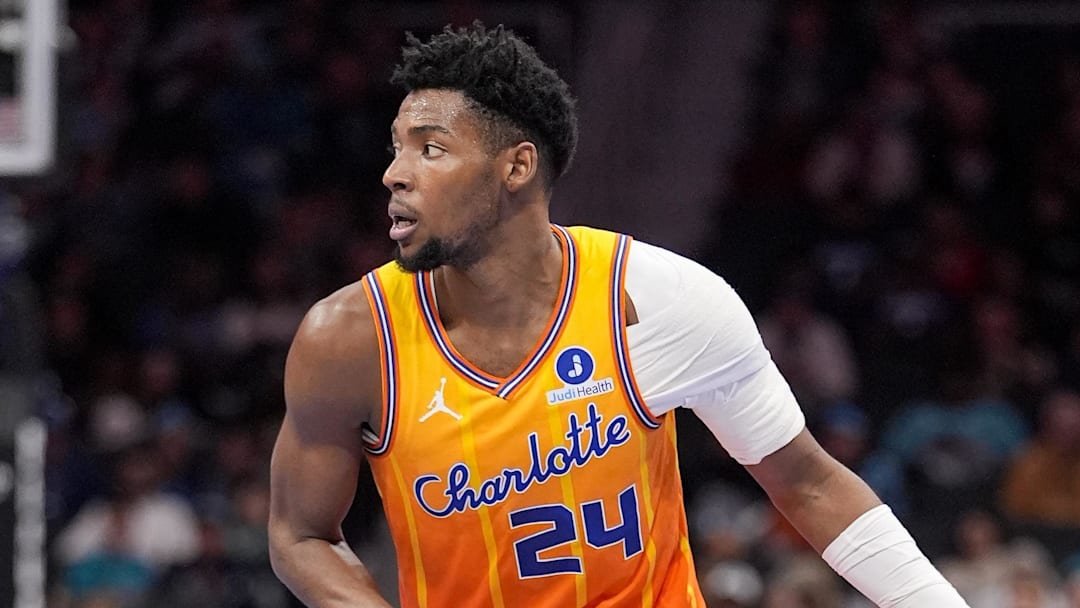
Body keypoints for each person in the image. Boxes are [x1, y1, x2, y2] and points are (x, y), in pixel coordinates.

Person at [268, 22, 969, 607]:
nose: (395, 171)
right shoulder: (349, 338)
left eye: (430, 148)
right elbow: (300, 534)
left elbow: (810, 483)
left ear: (516, 168)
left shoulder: (661, 301)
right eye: (396, 147)